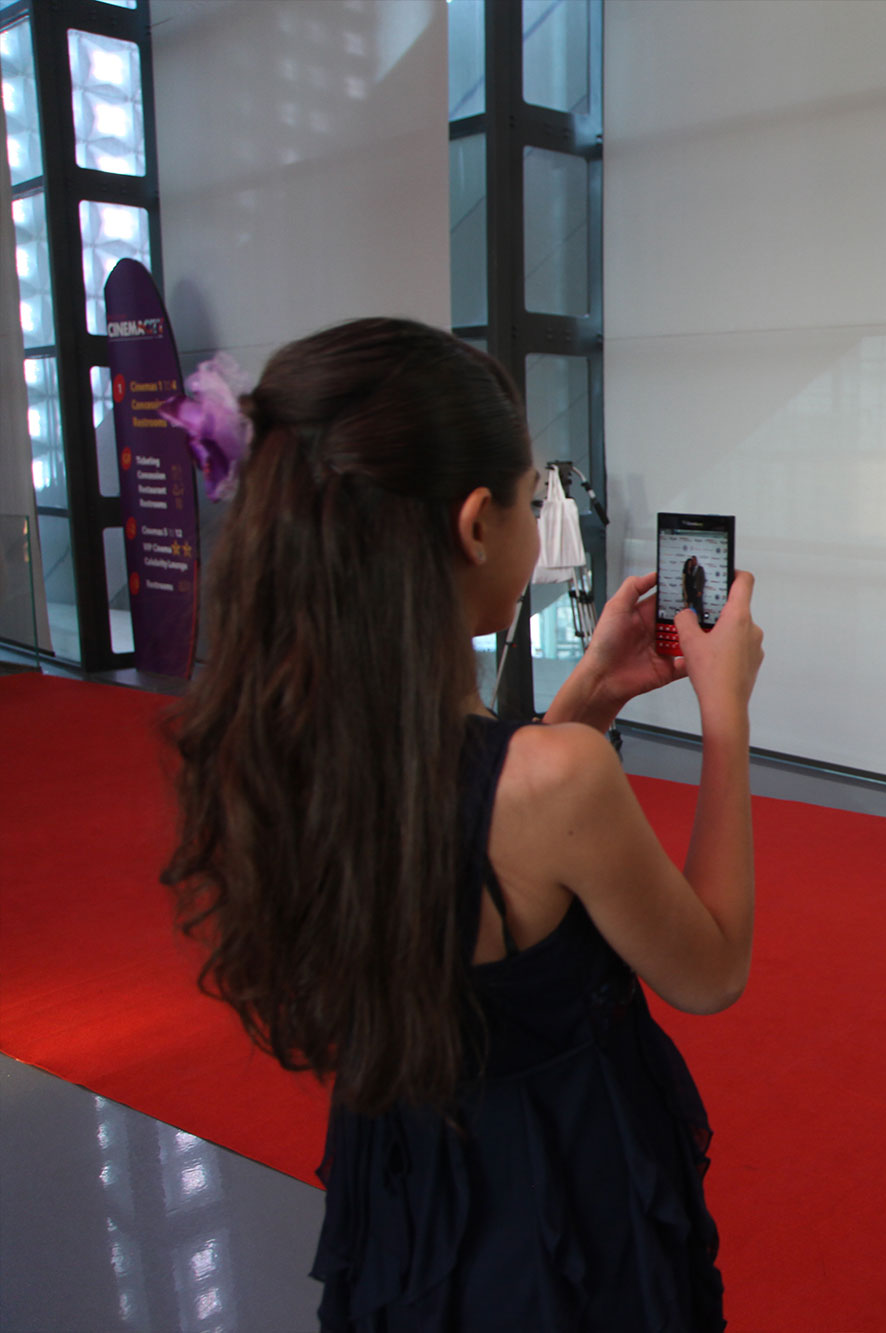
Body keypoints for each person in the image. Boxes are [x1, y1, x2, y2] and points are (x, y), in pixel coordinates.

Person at [162, 318, 763, 1329]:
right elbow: (711, 968)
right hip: (555, 1193)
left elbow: (475, 824)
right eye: (531, 498)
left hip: (407, 1184)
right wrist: (725, 712)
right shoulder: (555, 781)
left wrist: (591, 690)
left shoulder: (287, 748)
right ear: (476, 523)